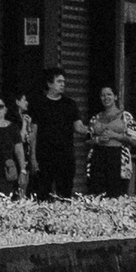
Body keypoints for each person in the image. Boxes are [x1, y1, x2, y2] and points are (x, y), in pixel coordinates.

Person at [32, 66, 82, 201]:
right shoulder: (39, 104)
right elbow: (33, 133)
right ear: (49, 84)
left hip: (65, 156)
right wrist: (33, 157)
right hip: (44, 156)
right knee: (43, 193)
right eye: (59, 81)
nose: (63, 84)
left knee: (65, 193)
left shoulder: (70, 104)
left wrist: (94, 129)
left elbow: (79, 127)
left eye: (64, 82)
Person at [83, 83, 136, 196]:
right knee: (97, 192)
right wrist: (98, 140)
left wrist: (116, 136)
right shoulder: (96, 118)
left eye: (109, 94)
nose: (106, 98)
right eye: (103, 95)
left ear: (115, 97)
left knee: (116, 192)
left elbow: (135, 141)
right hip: (98, 156)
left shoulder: (126, 116)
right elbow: (87, 140)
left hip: (118, 156)